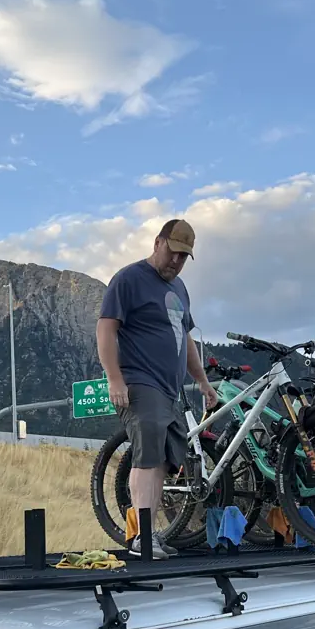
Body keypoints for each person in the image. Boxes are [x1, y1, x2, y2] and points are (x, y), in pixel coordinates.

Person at [96, 218, 218, 558]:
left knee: (166, 458)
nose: (177, 262)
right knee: (148, 455)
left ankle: (150, 534)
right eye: (174, 252)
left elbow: (186, 340)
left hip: (169, 389)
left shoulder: (179, 290)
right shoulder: (129, 279)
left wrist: (203, 382)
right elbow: (105, 330)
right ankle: (142, 538)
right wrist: (114, 377)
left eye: (184, 257)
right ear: (157, 243)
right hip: (139, 380)